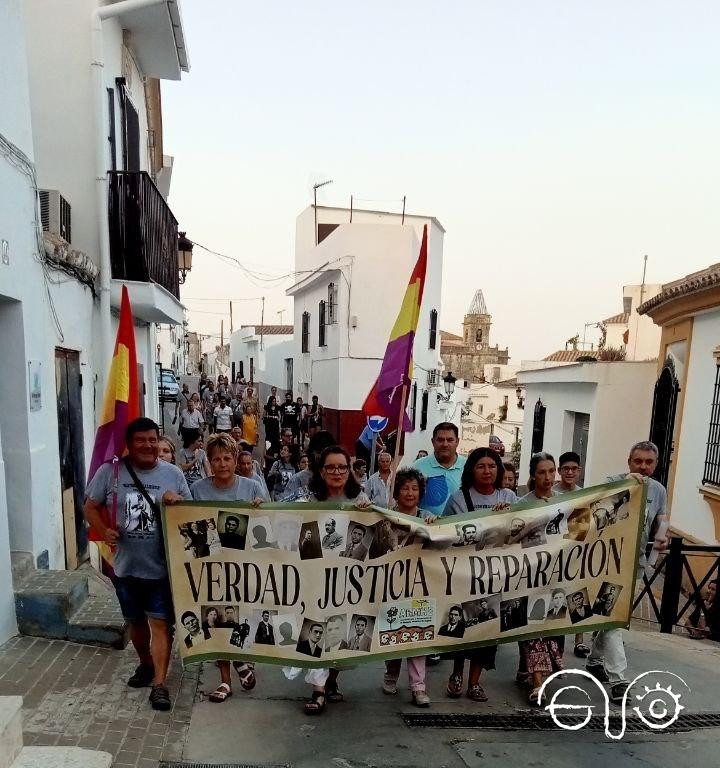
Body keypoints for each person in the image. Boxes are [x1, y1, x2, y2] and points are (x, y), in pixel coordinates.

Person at [84, 417, 191, 711]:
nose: (148, 445)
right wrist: (103, 530)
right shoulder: (110, 472)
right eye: (141, 440)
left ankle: (159, 684)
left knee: (159, 623)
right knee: (136, 624)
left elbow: (192, 515)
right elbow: (90, 505)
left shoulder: (173, 474)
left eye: (153, 439)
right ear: (129, 444)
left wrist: (177, 500)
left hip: (161, 568)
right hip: (125, 567)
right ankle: (145, 664)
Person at [587, 441, 669, 704]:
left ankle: (594, 659)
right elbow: (597, 507)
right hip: (609, 562)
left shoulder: (658, 489)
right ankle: (619, 679)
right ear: (629, 461)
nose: (643, 467)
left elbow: (662, 517)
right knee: (614, 618)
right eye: (638, 461)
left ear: (655, 464)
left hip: (636, 563)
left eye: (649, 462)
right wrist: (625, 487)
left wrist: (662, 535)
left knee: (611, 616)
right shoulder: (614, 481)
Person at [190, 433, 265, 703]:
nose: (222, 464)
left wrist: (261, 508)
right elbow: (188, 522)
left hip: (246, 565)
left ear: (235, 460)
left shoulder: (252, 487)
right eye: (216, 459)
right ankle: (225, 680)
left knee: (243, 616)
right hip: (212, 565)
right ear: (208, 463)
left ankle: (243, 659)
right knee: (217, 618)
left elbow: (269, 520)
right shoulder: (198, 489)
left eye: (227, 458)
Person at [515, 452, 564, 705]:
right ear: (533, 475)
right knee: (533, 628)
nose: (547, 477)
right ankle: (537, 685)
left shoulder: (568, 502)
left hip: (559, 576)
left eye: (551, 471)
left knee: (552, 630)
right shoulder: (522, 504)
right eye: (542, 472)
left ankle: (528, 672)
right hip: (528, 577)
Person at [552, 451, 589, 657]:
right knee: (556, 595)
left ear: (579, 471)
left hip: (575, 550)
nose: (569, 472)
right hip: (553, 553)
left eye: (574, 468)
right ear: (559, 471)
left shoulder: (584, 494)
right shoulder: (552, 493)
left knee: (578, 593)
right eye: (565, 468)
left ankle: (579, 639)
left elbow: (583, 526)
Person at [444, 447, 518, 516]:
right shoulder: (457, 499)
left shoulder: (509, 496)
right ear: (471, 470)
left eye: (492, 466)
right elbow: (443, 527)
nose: (487, 471)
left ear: (498, 469)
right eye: (481, 467)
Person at [414, 423, 467, 517]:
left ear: (457, 442)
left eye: (450, 440)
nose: (445, 444)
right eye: (440, 440)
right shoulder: (418, 467)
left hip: (461, 527)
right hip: (427, 527)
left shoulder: (468, 466)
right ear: (433, 441)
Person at [281, 430, 335, 501]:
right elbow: (285, 506)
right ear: (313, 453)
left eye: (328, 453)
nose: (325, 457)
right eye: (319, 452)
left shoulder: (342, 477)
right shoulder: (298, 479)